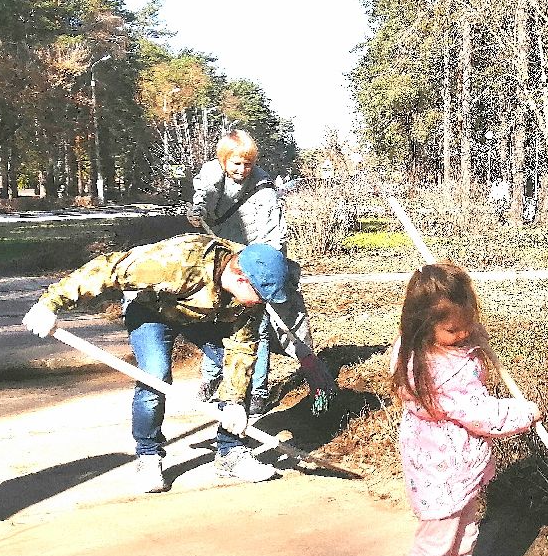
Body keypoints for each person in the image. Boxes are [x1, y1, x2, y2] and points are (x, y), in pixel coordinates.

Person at [21, 232, 290, 493]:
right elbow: (108, 268)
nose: (263, 303)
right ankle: (148, 456)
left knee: (237, 374)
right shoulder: (178, 262)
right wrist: (50, 303)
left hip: (204, 316)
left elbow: (241, 349)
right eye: (261, 296)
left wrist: (233, 403)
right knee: (155, 376)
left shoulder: (251, 290)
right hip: (150, 310)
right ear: (241, 278)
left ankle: (231, 451)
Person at [389, 262, 540, 556]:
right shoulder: (429, 370)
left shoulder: (452, 348)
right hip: (438, 471)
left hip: (464, 464)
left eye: (468, 324)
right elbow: (480, 413)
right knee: (435, 545)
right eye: (453, 330)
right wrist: (523, 413)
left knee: (466, 532)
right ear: (423, 327)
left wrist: (474, 338)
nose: (463, 335)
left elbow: (467, 347)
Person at [187, 130, 332, 416]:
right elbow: (203, 200)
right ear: (223, 160)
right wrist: (197, 213)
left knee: (259, 327)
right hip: (221, 263)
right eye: (236, 164)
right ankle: (212, 375)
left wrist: (264, 270)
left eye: (248, 164)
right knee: (216, 318)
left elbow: (274, 237)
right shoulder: (210, 179)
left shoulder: (264, 190)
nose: (242, 170)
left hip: (253, 265)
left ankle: (258, 390)